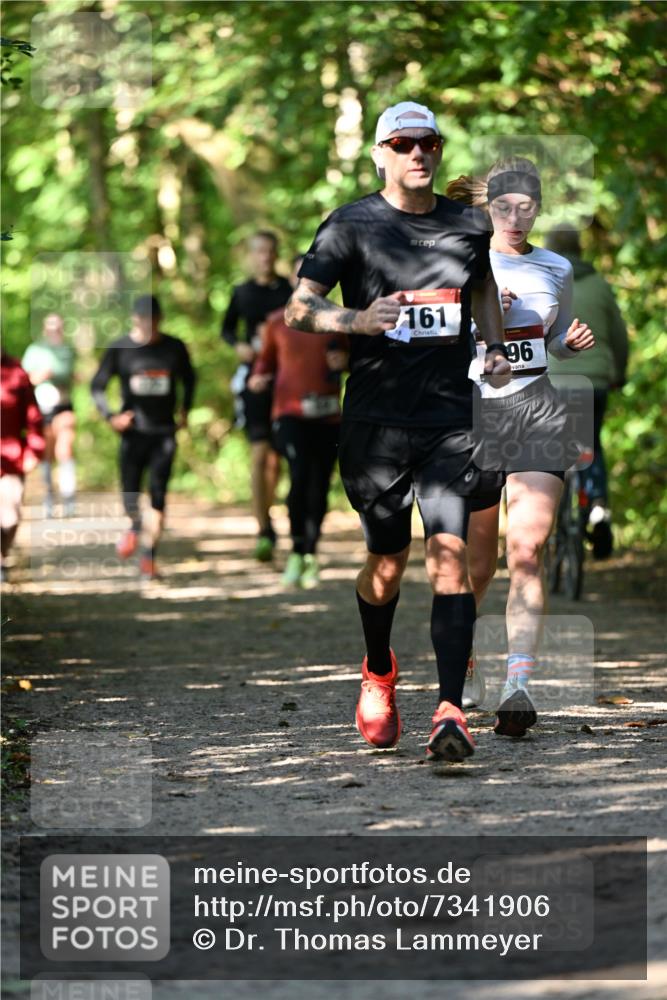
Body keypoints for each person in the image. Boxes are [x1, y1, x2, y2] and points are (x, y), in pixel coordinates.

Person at [285, 101, 511, 763]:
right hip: (376, 424)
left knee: (450, 556)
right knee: (387, 562)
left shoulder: (468, 223)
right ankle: (378, 668)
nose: (418, 153)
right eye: (403, 142)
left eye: (428, 143)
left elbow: (482, 293)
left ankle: (448, 711)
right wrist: (355, 322)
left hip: (449, 418)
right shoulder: (350, 225)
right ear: (380, 152)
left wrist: (492, 347)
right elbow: (299, 307)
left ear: (439, 151)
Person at [446, 158, 594, 735]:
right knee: (478, 566)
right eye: (502, 207)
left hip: (538, 412)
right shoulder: (458, 261)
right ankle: (463, 660)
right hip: (474, 415)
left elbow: (554, 335)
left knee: (528, 549)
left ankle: (517, 685)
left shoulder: (556, 267)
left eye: (525, 208)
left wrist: (569, 340)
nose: (514, 217)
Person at [249, 255, 349, 590]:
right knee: (299, 477)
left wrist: (345, 361)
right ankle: (295, 550)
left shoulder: (339, 319)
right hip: (290, 413)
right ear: (295, 280)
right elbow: (264, 363)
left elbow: (357, 362)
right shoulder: (278, 321)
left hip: (329, 414)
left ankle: (311, 553)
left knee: (319, 485)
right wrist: (259, 378)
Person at [91, 295, 196, 581]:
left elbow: (189, 379)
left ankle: (149, 557)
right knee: (130, 494)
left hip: (164, 433)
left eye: (154, 321)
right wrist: (111, 416)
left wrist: (185, 409)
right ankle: (135, 528)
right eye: (143, 321)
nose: (149, 326)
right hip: (133, 434)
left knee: (159, 494)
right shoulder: (120, 349)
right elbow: (97, 386)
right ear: (133, 320)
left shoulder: (174, 347)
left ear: (161, 320)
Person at [545, 225, 628, 558]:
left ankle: (548, 515)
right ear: (580, 249)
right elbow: (620, 338)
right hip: (594, 381)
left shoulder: (545, 284)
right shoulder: (600, 286)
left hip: (552, 381)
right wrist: (618, 374)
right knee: (590, 443)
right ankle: (596, 505)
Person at [221, 232, 293, 562]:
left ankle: (276, 515)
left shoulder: (287, 290)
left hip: (287, 381)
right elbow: (226, 329)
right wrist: (238, 346)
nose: (265, 257)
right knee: (259, 453)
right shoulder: (241, 292)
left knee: (276, 461)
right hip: (255, 381)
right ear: (250, 256)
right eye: (259, 251)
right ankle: (263, 528)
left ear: (275, 254)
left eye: (270, 251)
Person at [21, 313, 77, 517]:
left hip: (64, 405)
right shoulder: (35, 350)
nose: (55, 331)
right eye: (51, 327)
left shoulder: (67, 349)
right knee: (46, 454)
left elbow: (67, 372)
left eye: (58, 327)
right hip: (42, 407)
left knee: (65, 450)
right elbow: (25, 379)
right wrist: (40, 376)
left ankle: (69, 499)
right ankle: (48, 498)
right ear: (45, 328)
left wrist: (55, 373)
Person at [1, 352, 45, 582]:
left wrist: (34, 450)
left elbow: (33, 416)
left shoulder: (16, 372)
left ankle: (2, 554)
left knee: (11, 517)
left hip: (11, 458)